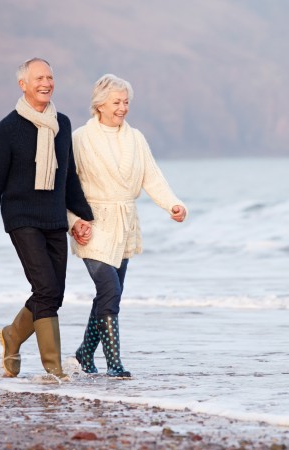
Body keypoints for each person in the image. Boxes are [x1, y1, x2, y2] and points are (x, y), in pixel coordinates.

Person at [0, 57, 95, 380]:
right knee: (45, 287)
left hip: (54, 218)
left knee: (53, 293)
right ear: (23, 84)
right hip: (21, 218)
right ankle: (53, 368)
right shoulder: (7, 129)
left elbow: (68, 178)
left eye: (50, 77)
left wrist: (85, 217)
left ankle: (12, 336)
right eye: (39, 78)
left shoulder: (63, 124)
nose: (46, 83)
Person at [68, 74, 187, 378]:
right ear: (100, 104)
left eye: (126, 102)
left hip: (124, 223)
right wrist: (73, 221)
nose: (123, 108)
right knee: (110, 289)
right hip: (92, 223)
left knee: (110, 294)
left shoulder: (136, 138)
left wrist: (172, 204)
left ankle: (83, 354)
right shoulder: (81, 138)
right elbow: (68, 184)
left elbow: (152, 176)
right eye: (116, 102)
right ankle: (114, 363)